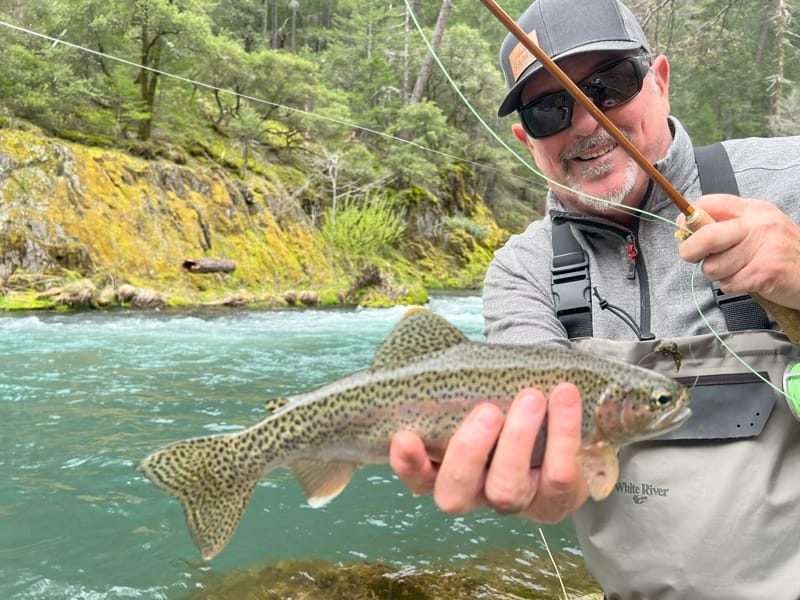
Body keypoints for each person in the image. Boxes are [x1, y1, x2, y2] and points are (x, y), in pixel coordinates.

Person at [389, 0, 800, 598]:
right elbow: (536, 436)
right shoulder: (521, 269)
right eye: (551, 107)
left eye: (609, 85)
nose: (585, 122)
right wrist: (531, 471)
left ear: (658, 80)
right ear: (526, 136)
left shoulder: (789, 181)